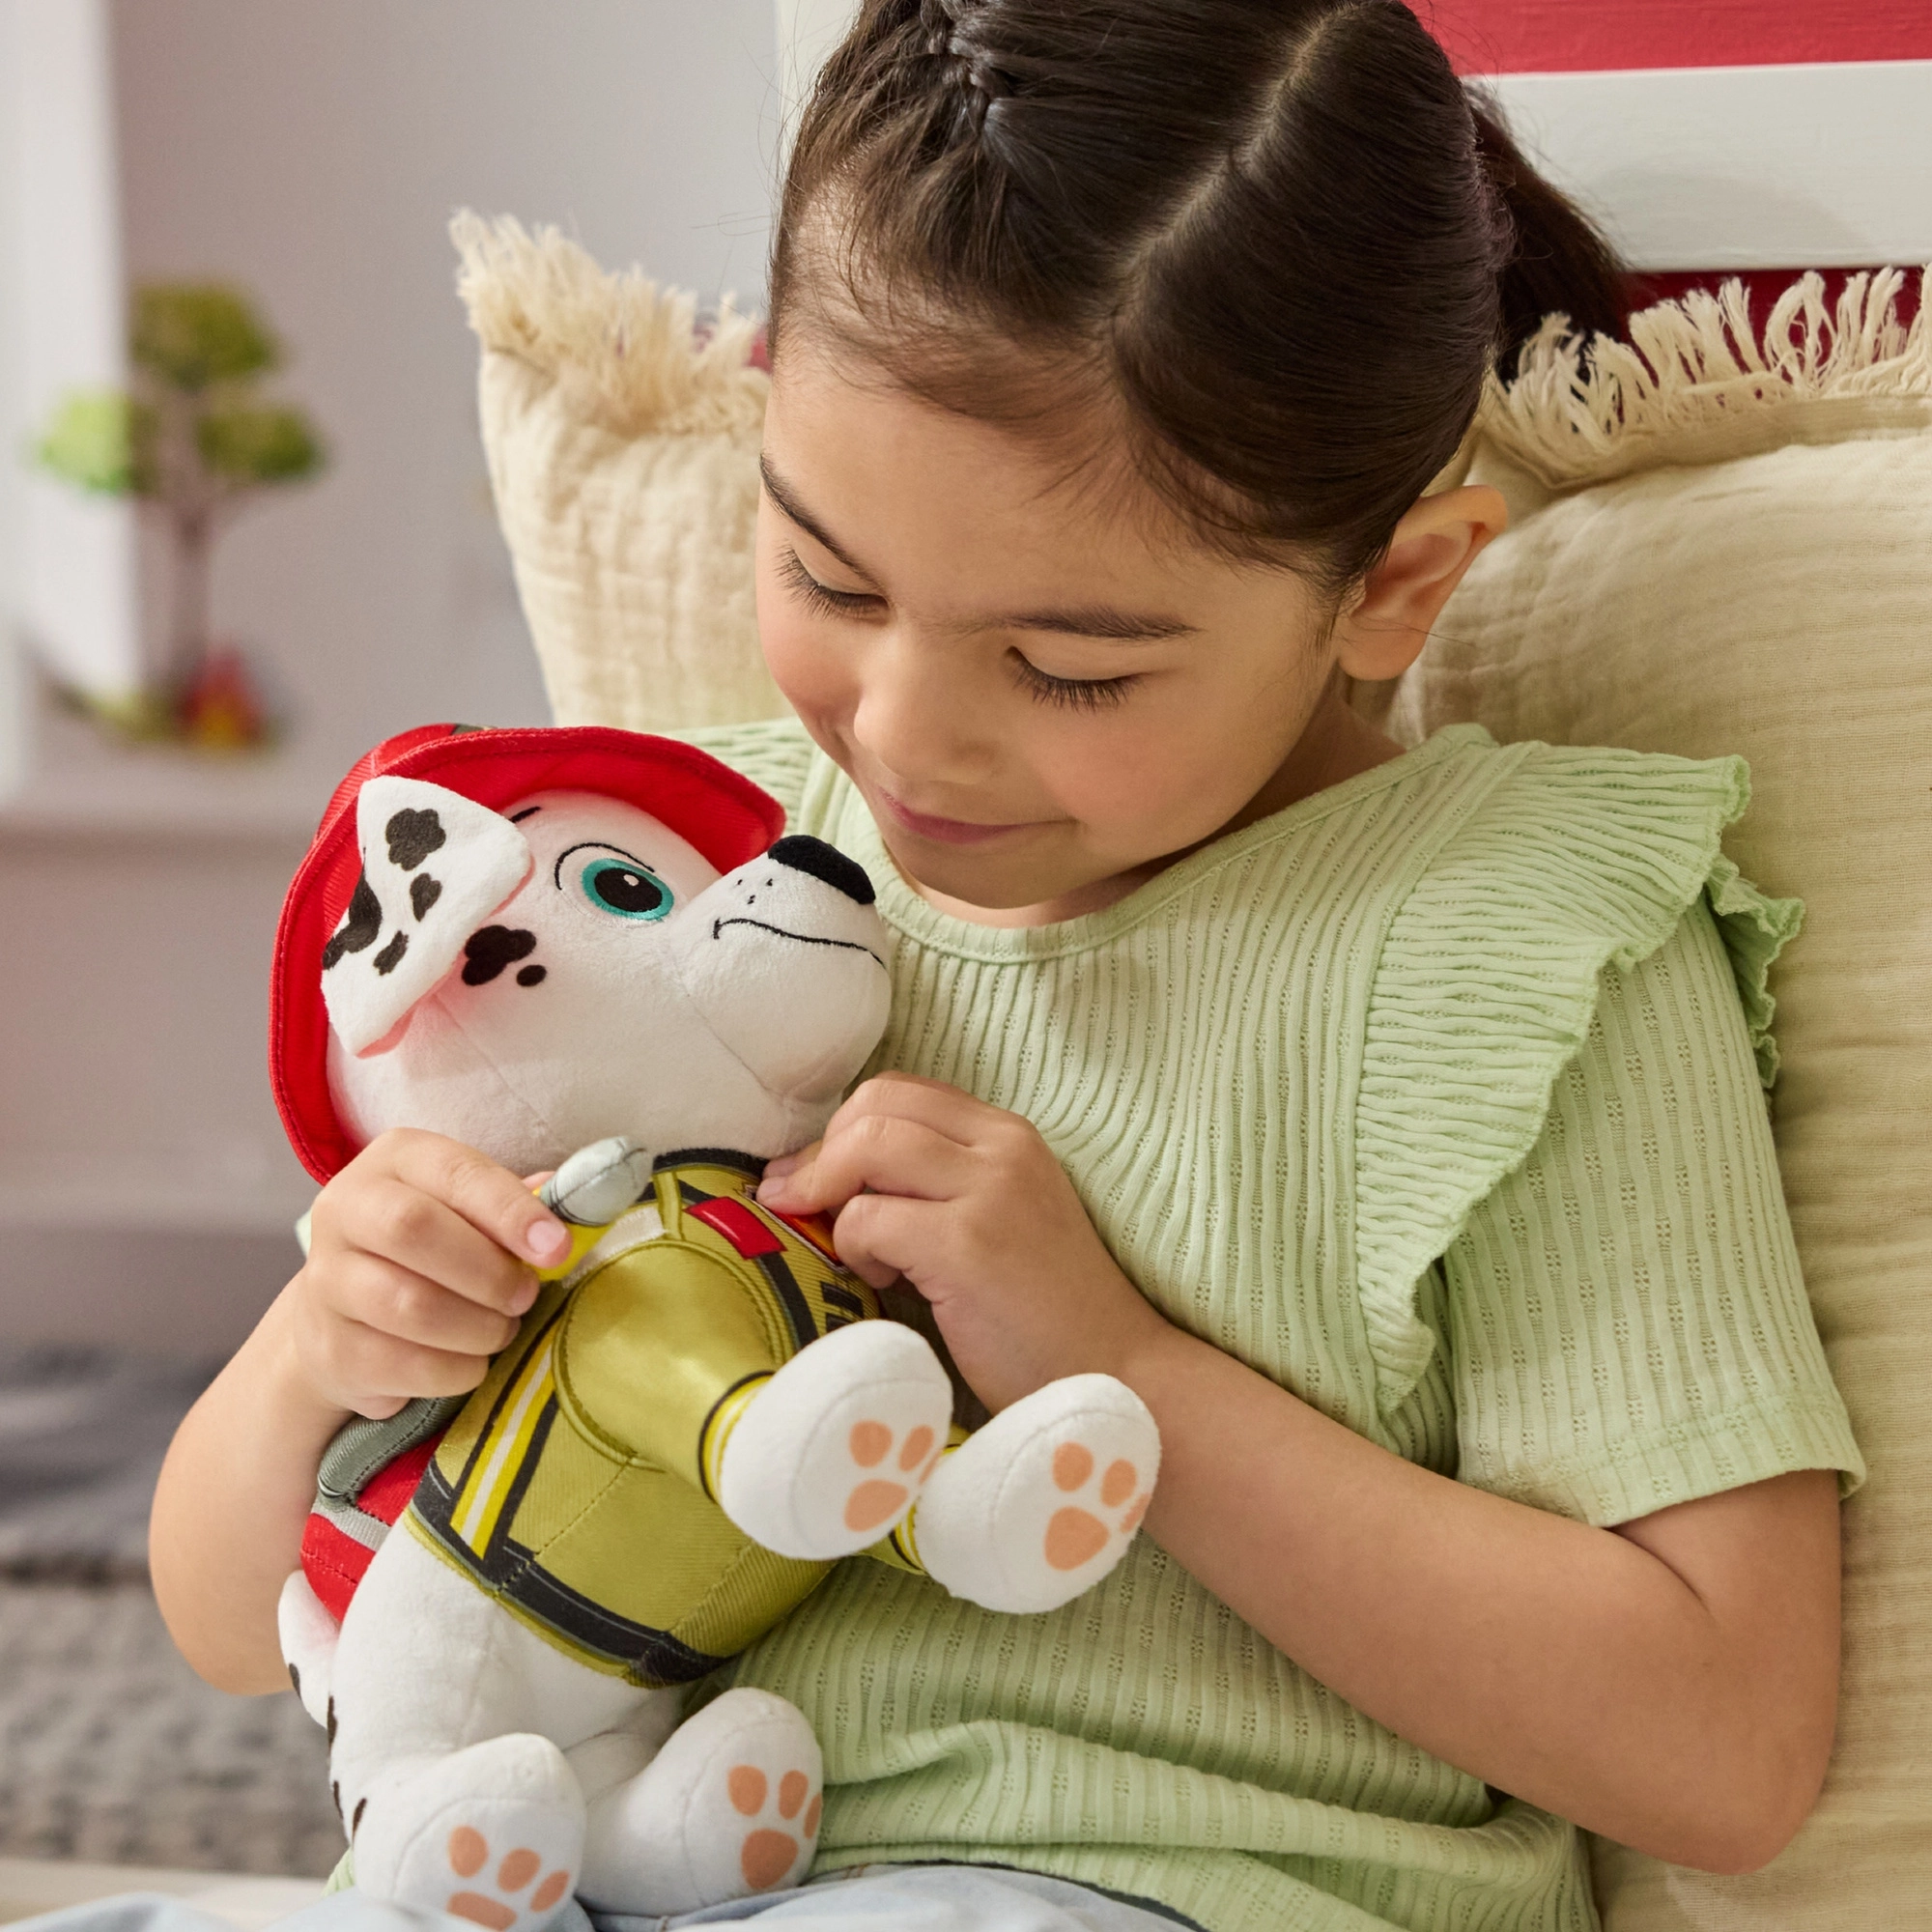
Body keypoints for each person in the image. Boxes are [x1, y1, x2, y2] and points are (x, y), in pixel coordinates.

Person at [150, 4, 1861, 1929]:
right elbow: (224, 1625)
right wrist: (323, 1346)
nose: (906, 735)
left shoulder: (1517, 941)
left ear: (1392, 586)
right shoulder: (688, 882)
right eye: (829, 576)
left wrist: (1125, 1369)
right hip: (571, 1861)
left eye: (1069, 669)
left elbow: (1723, 1746)